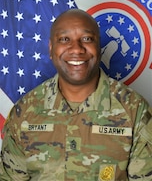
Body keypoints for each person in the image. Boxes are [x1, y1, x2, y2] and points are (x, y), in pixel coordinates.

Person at [0, 9, 152, 181]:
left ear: (99, 47)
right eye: (65, 39)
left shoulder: (135, 111)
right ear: (51, 49)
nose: (77, 49)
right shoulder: (25, 112)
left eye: (87, 39)